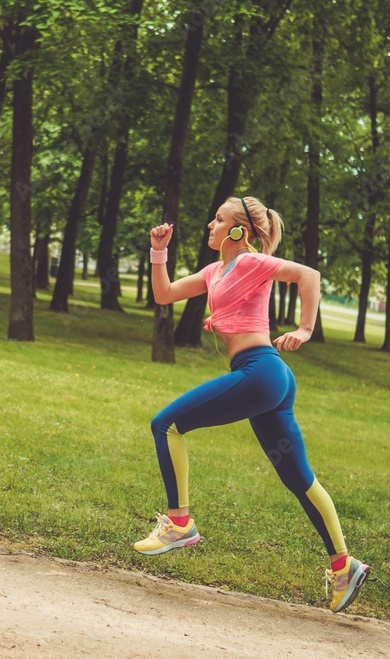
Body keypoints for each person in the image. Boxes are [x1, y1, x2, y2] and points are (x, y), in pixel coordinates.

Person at [136, 196, 370, 614]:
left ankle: (179, 523)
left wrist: (305, 327)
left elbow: (308, 275)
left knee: (166, 425)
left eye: (220, 220)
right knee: (299, 478)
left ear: (239, 231)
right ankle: (343, 565)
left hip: (260, 371)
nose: (211, 224)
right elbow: (164, 294)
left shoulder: (247, 262)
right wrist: (159, 251)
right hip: (270, 379)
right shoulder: (216, 270)